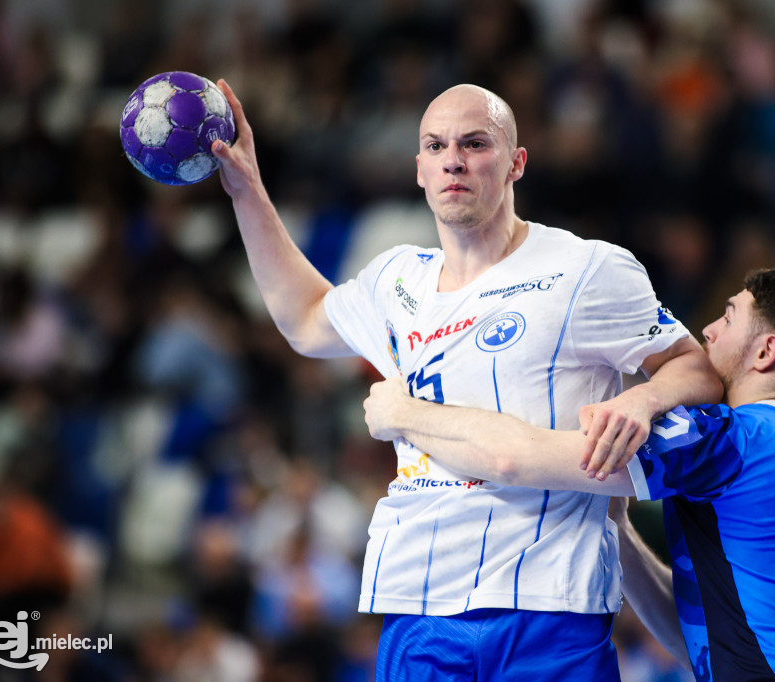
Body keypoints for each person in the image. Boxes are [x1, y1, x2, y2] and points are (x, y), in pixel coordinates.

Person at [211, 81, 722, 681]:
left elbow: (698, 368)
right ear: (421, 170)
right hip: (416, 602)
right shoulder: (395, 280)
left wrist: (646, 396)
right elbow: (303, 319)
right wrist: (247, 191)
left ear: (515, 163)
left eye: (475, 143)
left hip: (550, 603)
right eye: (436, 146)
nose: (453, 158)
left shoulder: (587, 269)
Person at [363, 267, 775, 680]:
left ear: (765, 352)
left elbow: (517, 458)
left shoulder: (728, 439)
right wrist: (621, 532)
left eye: (728, 317)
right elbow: (703, 641)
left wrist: (406, 414)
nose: (707, 330)